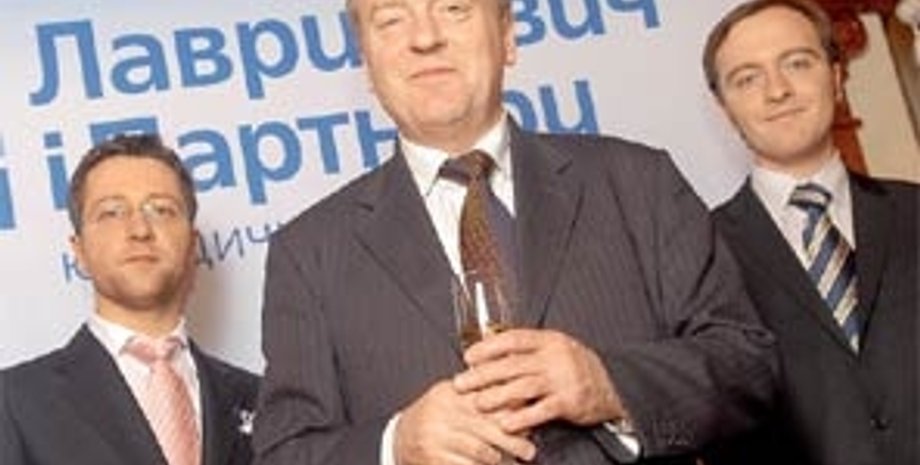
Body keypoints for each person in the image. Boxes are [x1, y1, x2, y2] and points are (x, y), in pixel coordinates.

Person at [253, 1, 777, 464]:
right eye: (391, 19)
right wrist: (396, 446)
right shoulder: (308, 253)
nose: (424, 38)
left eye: (454, 9)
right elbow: (283, 453)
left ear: (507, 37)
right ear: (367, 61)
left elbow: (749, 366)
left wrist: (609, 384)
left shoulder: (639, 181)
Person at [700, 1, 919, 464]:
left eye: (797, 63)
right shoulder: (700, 255)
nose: (777, 90)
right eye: (747, 78)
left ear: (836, 77)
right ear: (724, 109)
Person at [0, 134, 260, 465]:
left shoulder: (263, 398)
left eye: (162, 210)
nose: (140, 230)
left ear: (192, 244)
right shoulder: (15, 402)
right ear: (79, 250)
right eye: (111, 212)